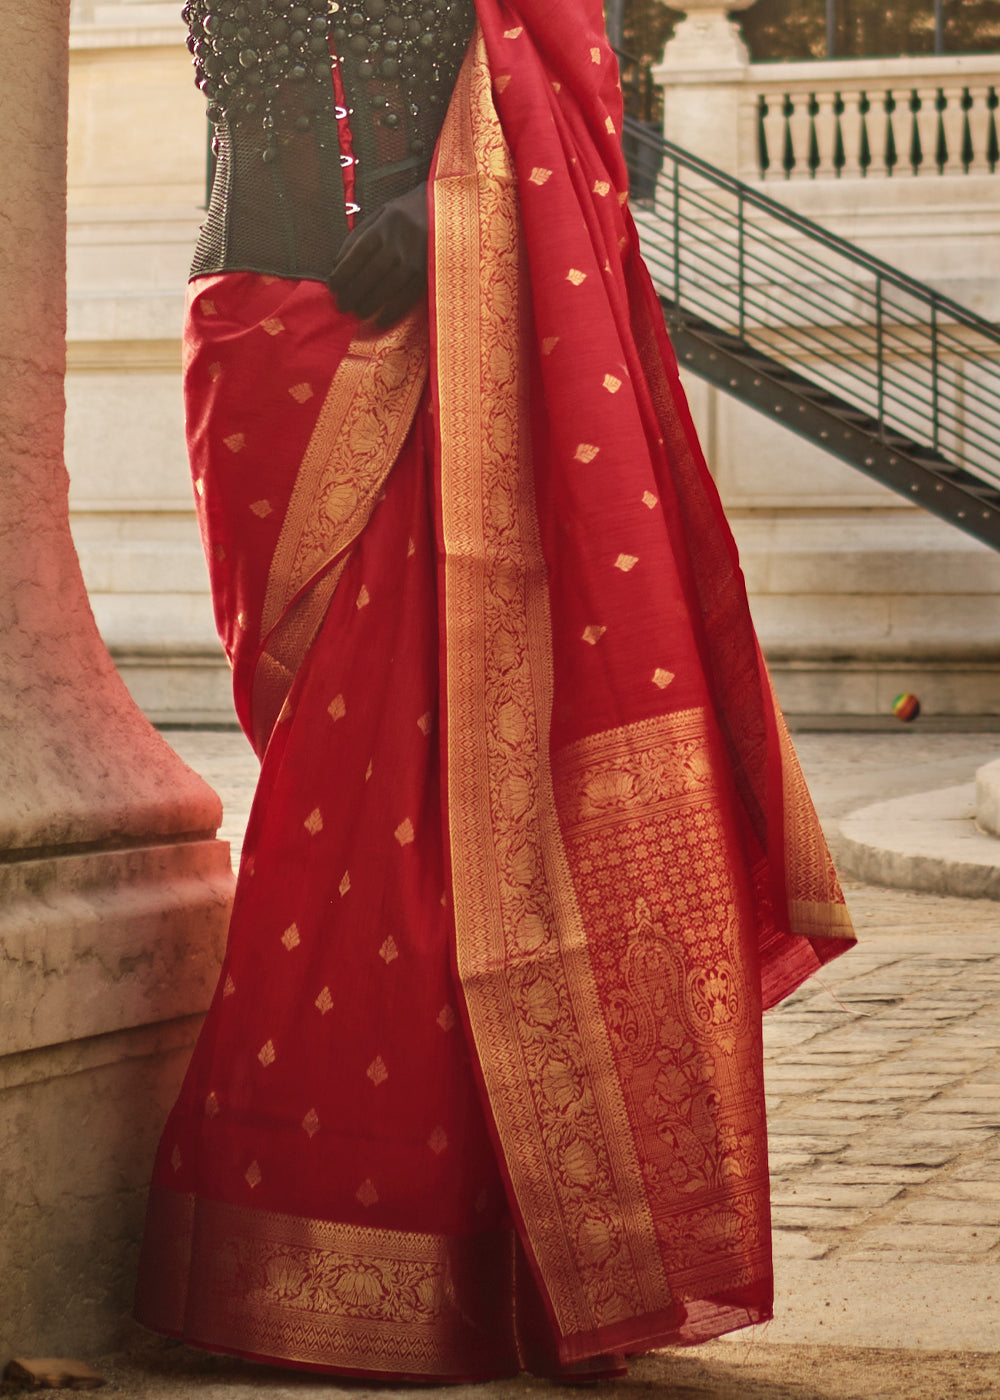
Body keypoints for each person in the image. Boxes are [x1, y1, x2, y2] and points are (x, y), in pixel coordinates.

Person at [135, 0, 856, 1382]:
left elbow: (591, 132)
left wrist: (451, 217)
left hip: (421, 333)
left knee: (412, 802)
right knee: (325, 751)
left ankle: (453, 1246)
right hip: (252, 337)